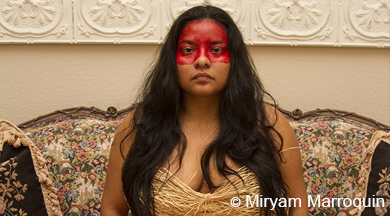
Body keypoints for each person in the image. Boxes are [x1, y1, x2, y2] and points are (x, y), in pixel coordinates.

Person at [101, 5, 308, 216]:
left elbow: (297, 206)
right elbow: (112, 208)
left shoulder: (269, 122)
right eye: (188, 50)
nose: (201, 60)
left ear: (234, 60)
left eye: (216, 50)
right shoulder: (139, 124)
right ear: (172, 60)